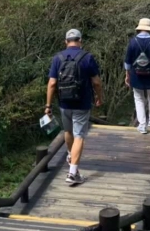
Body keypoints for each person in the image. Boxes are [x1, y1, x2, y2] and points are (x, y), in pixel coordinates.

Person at [45, 29, 104, 185]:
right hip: (82, 103)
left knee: (68, 131)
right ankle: (72, 173)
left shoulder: (57, 58)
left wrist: (48, 105)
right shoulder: (87, 57)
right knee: (79, 135)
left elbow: (52, 83)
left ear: (66, 41)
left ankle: (72, 156)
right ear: (80, 40)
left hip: (64, 103)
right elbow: (96, 82)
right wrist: (99, 97)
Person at [124, 18, 150, 134]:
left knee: (138, 99)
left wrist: (127, 75)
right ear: (149, 29)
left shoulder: (132, 42)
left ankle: (142, 125)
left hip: (136, 75)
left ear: (140, 28)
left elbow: (127, 61)